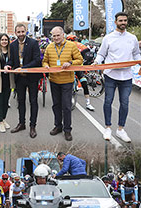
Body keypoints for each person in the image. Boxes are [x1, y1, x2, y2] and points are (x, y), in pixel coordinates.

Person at [93, 12, 141, 143]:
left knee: (124, 103)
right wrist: (96, 62)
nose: (123, 23)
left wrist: (139, 61)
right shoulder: (108, 38)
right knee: (108, 101)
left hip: (126, 77)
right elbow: (101, 54)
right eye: (120, 20)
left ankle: (120, 129)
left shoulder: (132, 38)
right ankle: (107, 127)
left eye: (125, 20)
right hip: (110, 75)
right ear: (115, 22)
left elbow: (136, 54)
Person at [42, 26, 83, 141]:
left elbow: (80, 60)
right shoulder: (49, 47)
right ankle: (58, 126)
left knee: (66, 106)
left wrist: (70, 62)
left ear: (63, 35)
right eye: (53, 36)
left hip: (67, 81)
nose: (56, 38)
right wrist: (45, 65)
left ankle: (67, 130)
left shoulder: (71, 46)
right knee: (56, 105)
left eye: (57, 35)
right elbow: (45, 61)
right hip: (54, 81)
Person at [4, 24, 42, 138]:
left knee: (33, 101)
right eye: (18, 32)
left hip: (32, 78)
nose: (20, 34)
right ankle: (21, 124)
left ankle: (32, 126)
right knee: (20, 102)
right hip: (19, 78)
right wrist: (7, 65)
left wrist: (24, 68)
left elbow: (36, 60)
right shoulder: (13, 45)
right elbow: (11, 60)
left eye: (22, 31)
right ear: (15, 33)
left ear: (26, 31)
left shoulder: (33, 43)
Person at [0, 33, 15, 132]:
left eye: (6, 40)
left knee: (6, 102)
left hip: (8, 81)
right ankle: (0, 121)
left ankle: (4, 119)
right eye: (2, 40)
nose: (4, 41)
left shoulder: (11, 52)